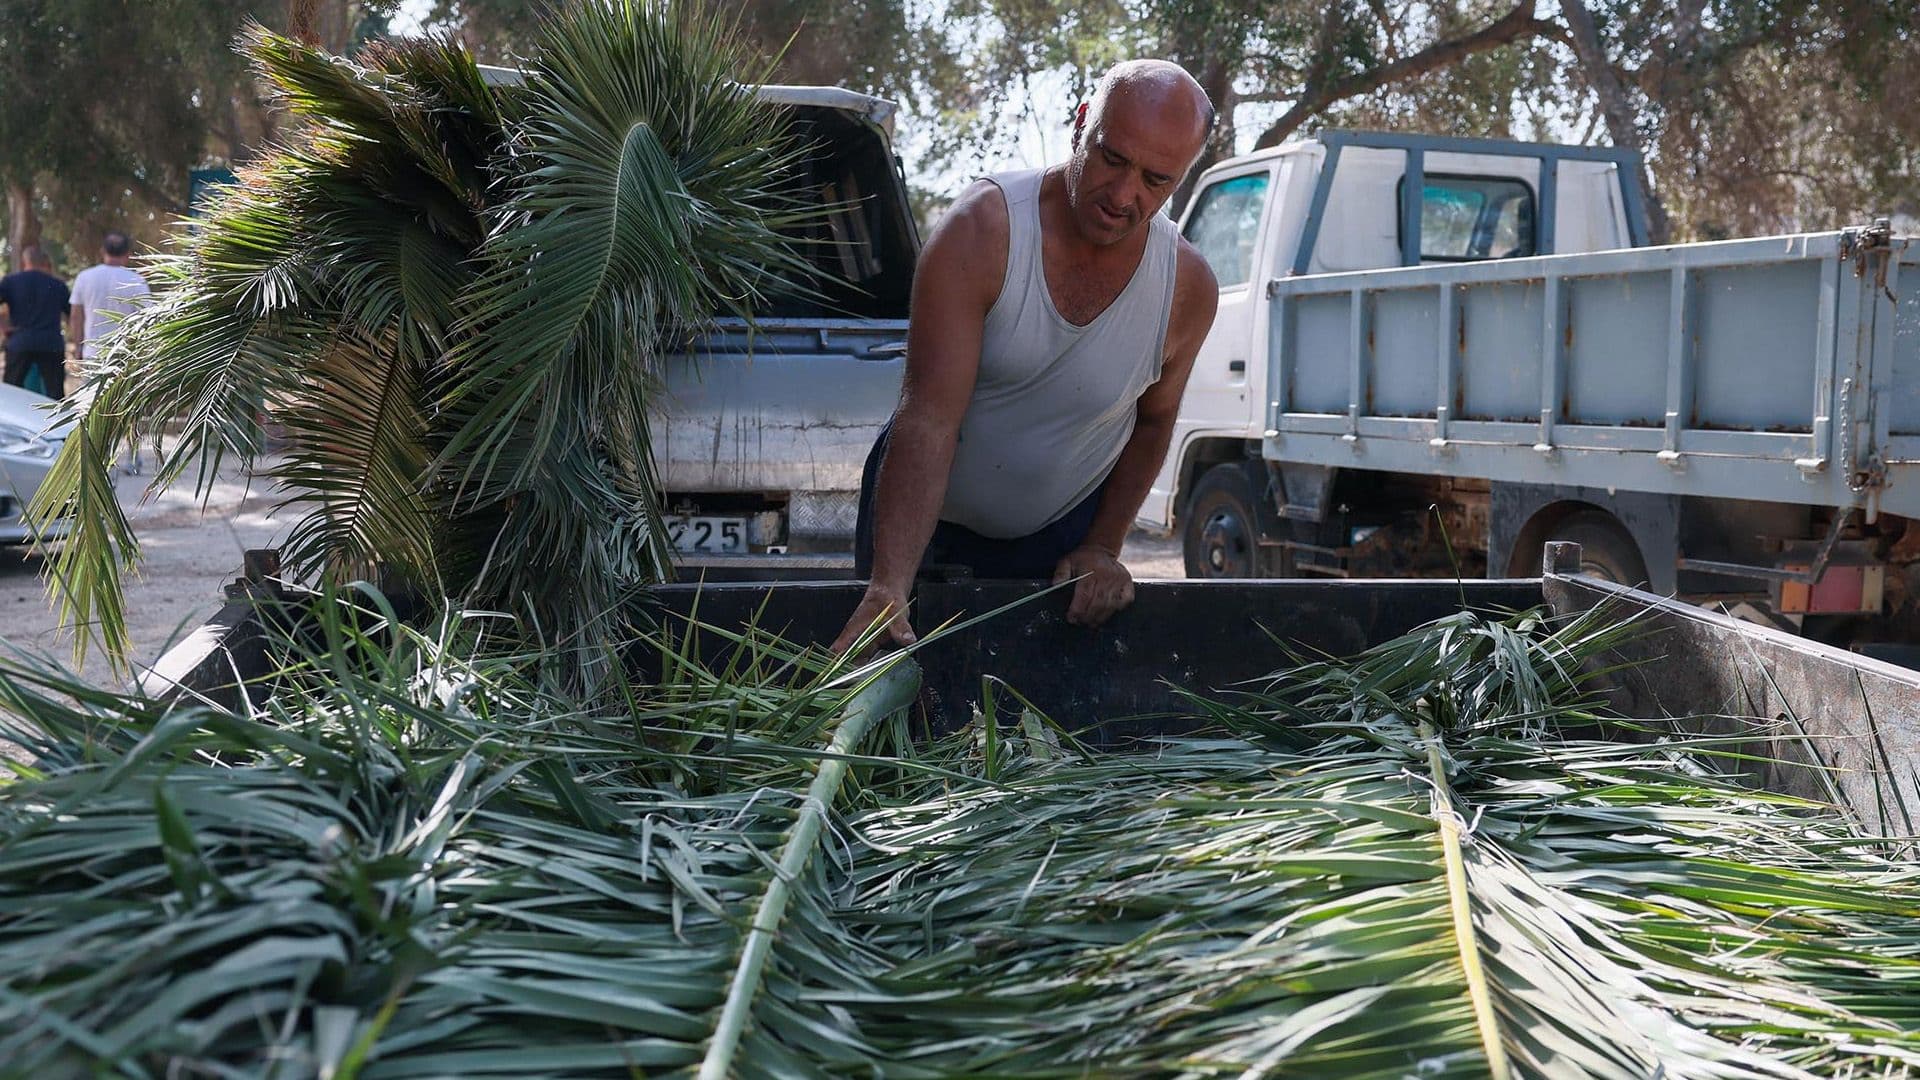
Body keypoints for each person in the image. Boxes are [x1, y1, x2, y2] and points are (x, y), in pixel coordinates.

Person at [832, 59, 1220, 654]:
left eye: (1155, 180)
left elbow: (1155, 421)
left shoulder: (1187, 289)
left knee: (1021, 733)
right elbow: (929, 418)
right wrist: (890, 583)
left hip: (1058, 535)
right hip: (918, 523)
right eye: (1112, 159)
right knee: (890, 703)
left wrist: (1104, 545)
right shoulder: (982, 232)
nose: (1123, 195)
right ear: (1082, 125)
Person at [70, 231, 153, 469]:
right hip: (127, 356)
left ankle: (92, 457)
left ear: (102, 251)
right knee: (128, 409)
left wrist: (77, 346)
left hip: (94, 354)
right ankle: (132, 459)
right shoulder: (136, 280)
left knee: (91, 407)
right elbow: (145, 319)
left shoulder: (85, 277)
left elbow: (76, 315)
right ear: (128, 254)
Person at [0, 246, 71, 399]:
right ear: (44, 262)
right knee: (55, 394)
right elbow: (72, 314)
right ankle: (55, 422)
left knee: (10, 391)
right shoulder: (58, 285)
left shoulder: (11, 282)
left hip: (20, 340)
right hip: (50, 342)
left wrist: (3, 327)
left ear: (24, 261)